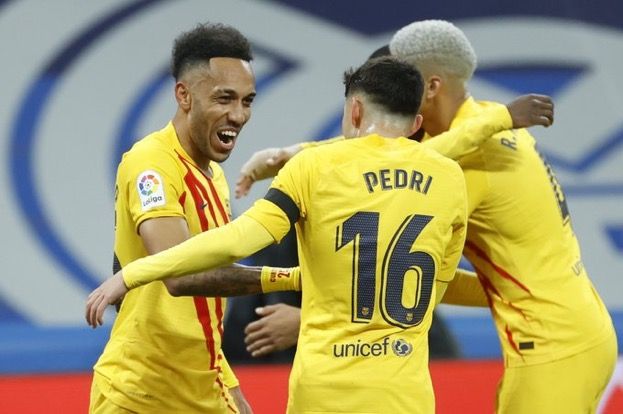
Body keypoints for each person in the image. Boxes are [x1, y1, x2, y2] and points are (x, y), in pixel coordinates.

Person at [86, 56, 471, 413]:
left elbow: (239, 239)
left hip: (323, 395)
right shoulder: (450, 179)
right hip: (408, 396)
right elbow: (438, 284)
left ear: (354, 111)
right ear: (416, 125)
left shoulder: (314, 166)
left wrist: (134, 273)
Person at [88, 22, 299, 414]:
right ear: (184, 96)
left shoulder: (214, 175)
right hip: (140, 394)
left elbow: (204, 309)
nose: (238, 115)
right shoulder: (152, 162)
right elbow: (181, 275)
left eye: (247, 101)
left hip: (203, 389)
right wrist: (287, 277)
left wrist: (228, 384)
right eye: (224, 99)